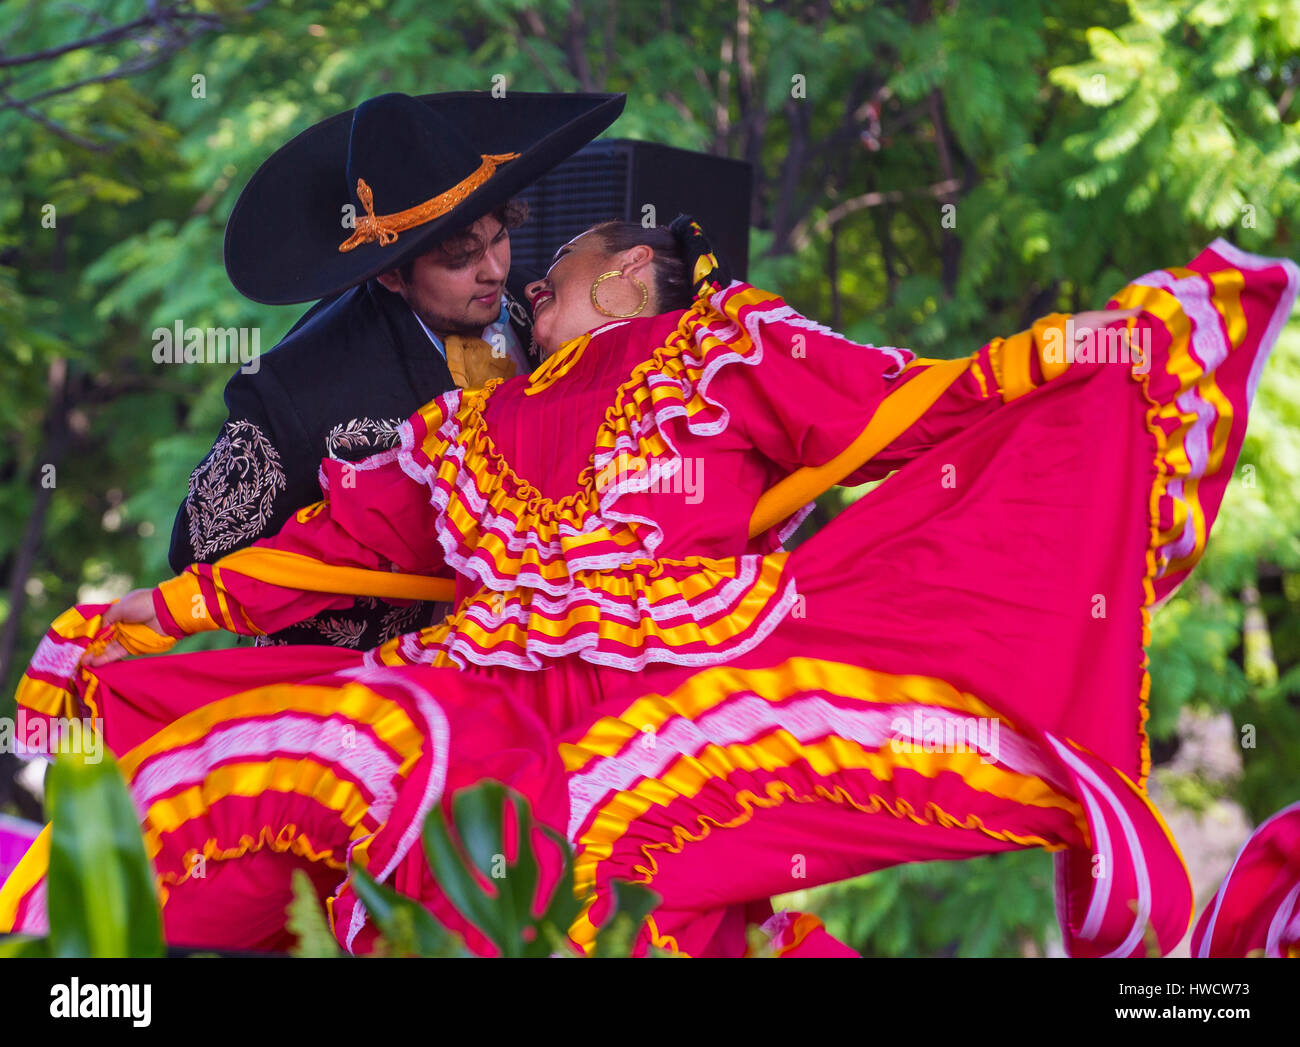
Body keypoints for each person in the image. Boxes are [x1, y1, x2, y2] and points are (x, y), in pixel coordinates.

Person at [3, 216, 1296, 958]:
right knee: (298, 779)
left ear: (631, 275)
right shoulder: (463, 431)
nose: (521, 275)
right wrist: (156, 613)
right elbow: (325, 549)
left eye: (550, 258)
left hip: (673, 706)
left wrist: (1054, 351)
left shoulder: (727, 346)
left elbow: (907, 404)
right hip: (484, 715)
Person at [170, 89, 625, 649]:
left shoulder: (540, 305)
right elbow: (199, 551)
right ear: (390, 275)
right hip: (362, 689)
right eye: (460, 258)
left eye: (499, 236)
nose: (493, 271)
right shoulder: (296, 389)